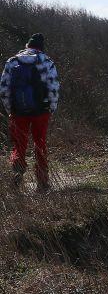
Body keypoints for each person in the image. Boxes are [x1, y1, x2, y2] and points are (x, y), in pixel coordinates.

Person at [1, 33, 60, 193]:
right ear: (41, 47)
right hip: (41, 111)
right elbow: (53, 88)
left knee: (19, 144)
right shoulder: (47, 61)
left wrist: (10, 110)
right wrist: (51, 108)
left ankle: (17, 172)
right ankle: (42, 183)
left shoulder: (12, 61)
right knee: (39, 144)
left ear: (27, 46)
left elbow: (4, 89)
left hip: (18, 111)